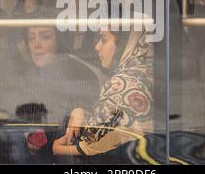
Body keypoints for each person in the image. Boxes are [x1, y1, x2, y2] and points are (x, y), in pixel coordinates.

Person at [52, 25, 154, 157]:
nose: (97, 46)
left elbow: (90, 148)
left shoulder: (124, 83)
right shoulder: (143, 71)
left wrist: (56, 148)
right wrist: (81, 111)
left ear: (123, 43)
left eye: (104, 39)